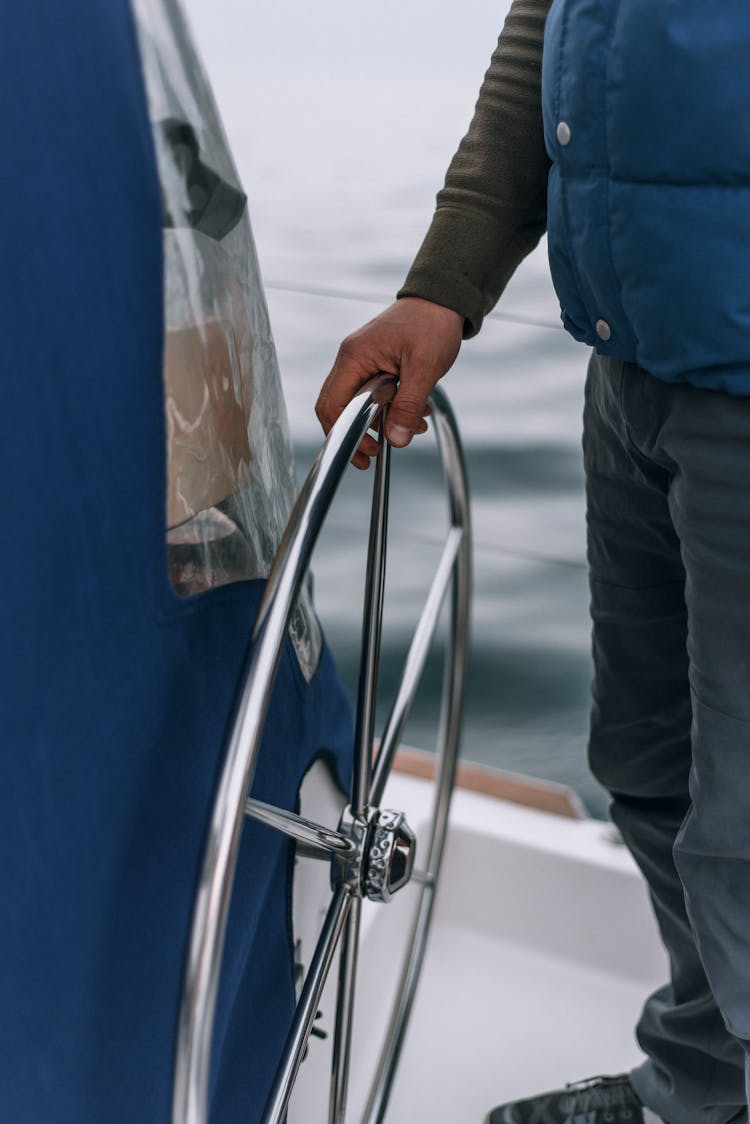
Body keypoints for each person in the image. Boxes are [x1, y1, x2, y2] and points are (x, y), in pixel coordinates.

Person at [315, 2, 750, 1123]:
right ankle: (702, 1089)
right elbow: (548, 31)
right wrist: (444, 282)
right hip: (635, 363)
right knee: (653, 770)